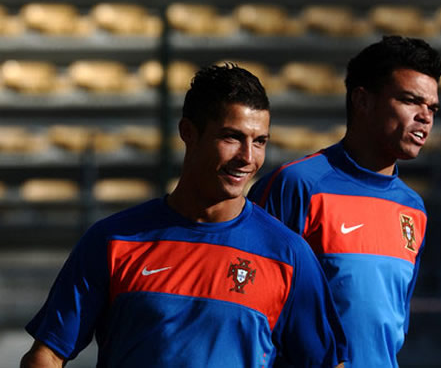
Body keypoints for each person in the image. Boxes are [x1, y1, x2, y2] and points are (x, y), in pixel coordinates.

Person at [21, 64, 347, 368]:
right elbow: (47, 354)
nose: (247, 158)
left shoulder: (289, 255)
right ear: (188, 132)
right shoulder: (114, 240)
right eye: (231, 137)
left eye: (259, 141)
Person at [248, 35, 441, 368]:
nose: (425, 116)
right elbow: (248, 308)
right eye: (411, 101)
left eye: (432, 107)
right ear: (363, 101)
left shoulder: (413, 209)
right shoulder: (298, 186)